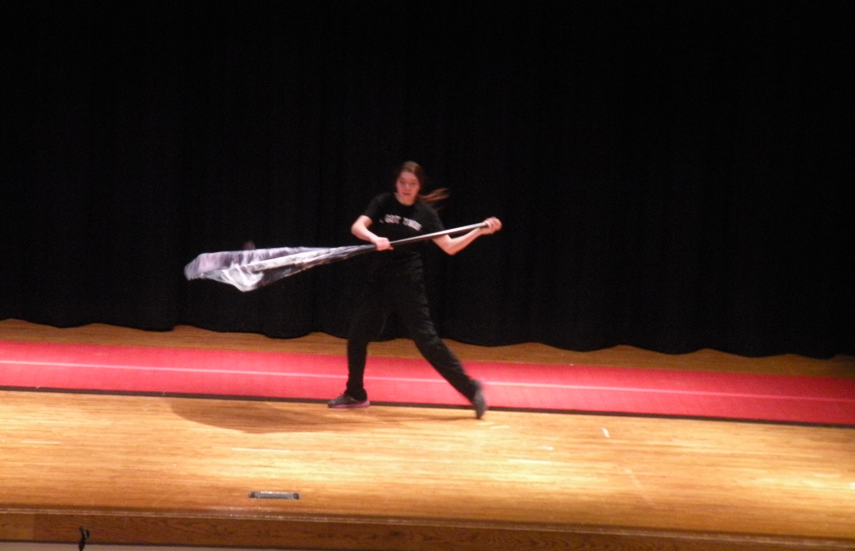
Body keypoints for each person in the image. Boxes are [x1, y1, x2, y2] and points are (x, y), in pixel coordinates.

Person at [327, 161, 502, 419]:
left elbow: (450, 247)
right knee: (357, 335)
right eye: (402, 182)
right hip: (379, 284)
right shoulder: (383, 202)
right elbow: (357, 227)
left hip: (408, 284)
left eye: (412, 184)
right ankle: (356, 393)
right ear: (396, 183)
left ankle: (471, 388)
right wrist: (375, 238)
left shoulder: (425, 214)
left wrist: (478, 231)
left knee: (427, 341)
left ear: (419, 186)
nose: (407, 188)